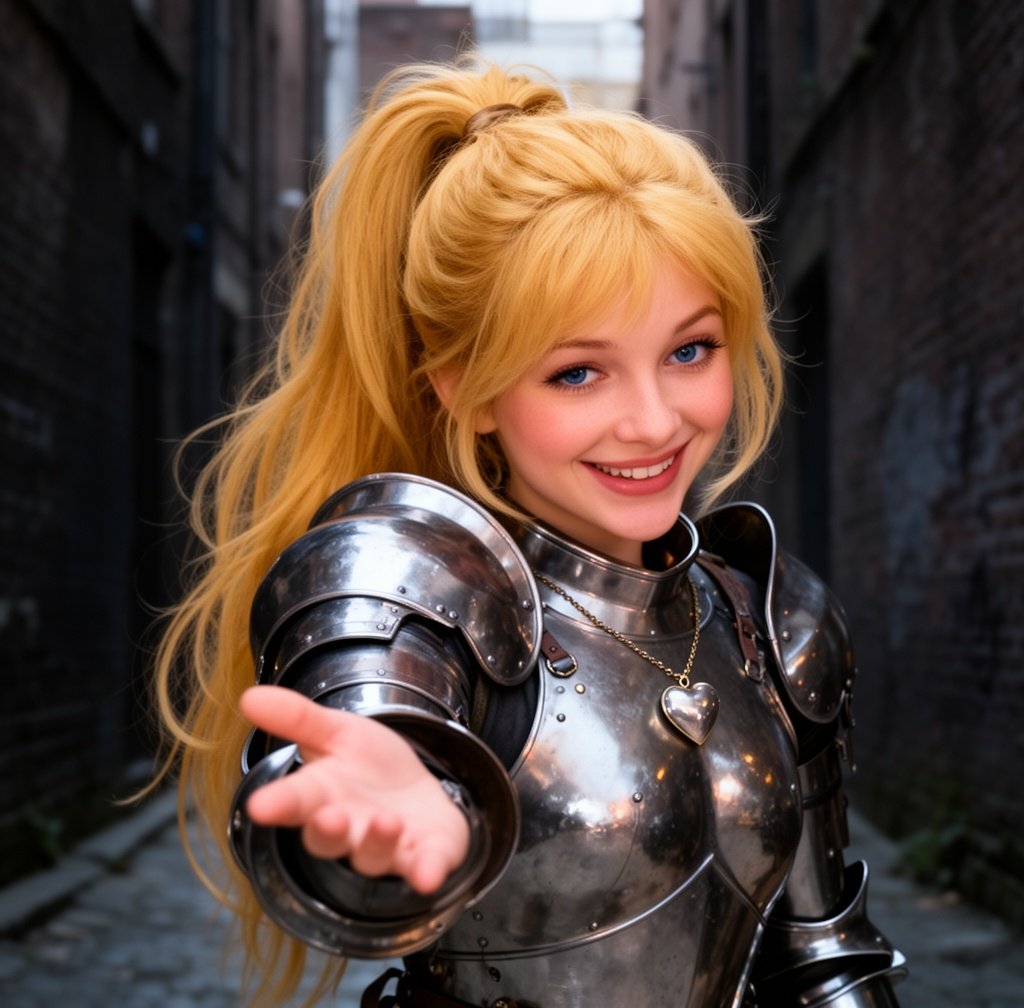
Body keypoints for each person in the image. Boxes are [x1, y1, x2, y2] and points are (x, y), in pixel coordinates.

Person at [151, 60, 906, 1007]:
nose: (652, 421)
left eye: (689, 350)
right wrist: (369, 836)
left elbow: (826, 949)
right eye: (578, 373)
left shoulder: (772, 617)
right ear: (461, 385)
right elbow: (360, 758)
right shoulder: (413, 582)